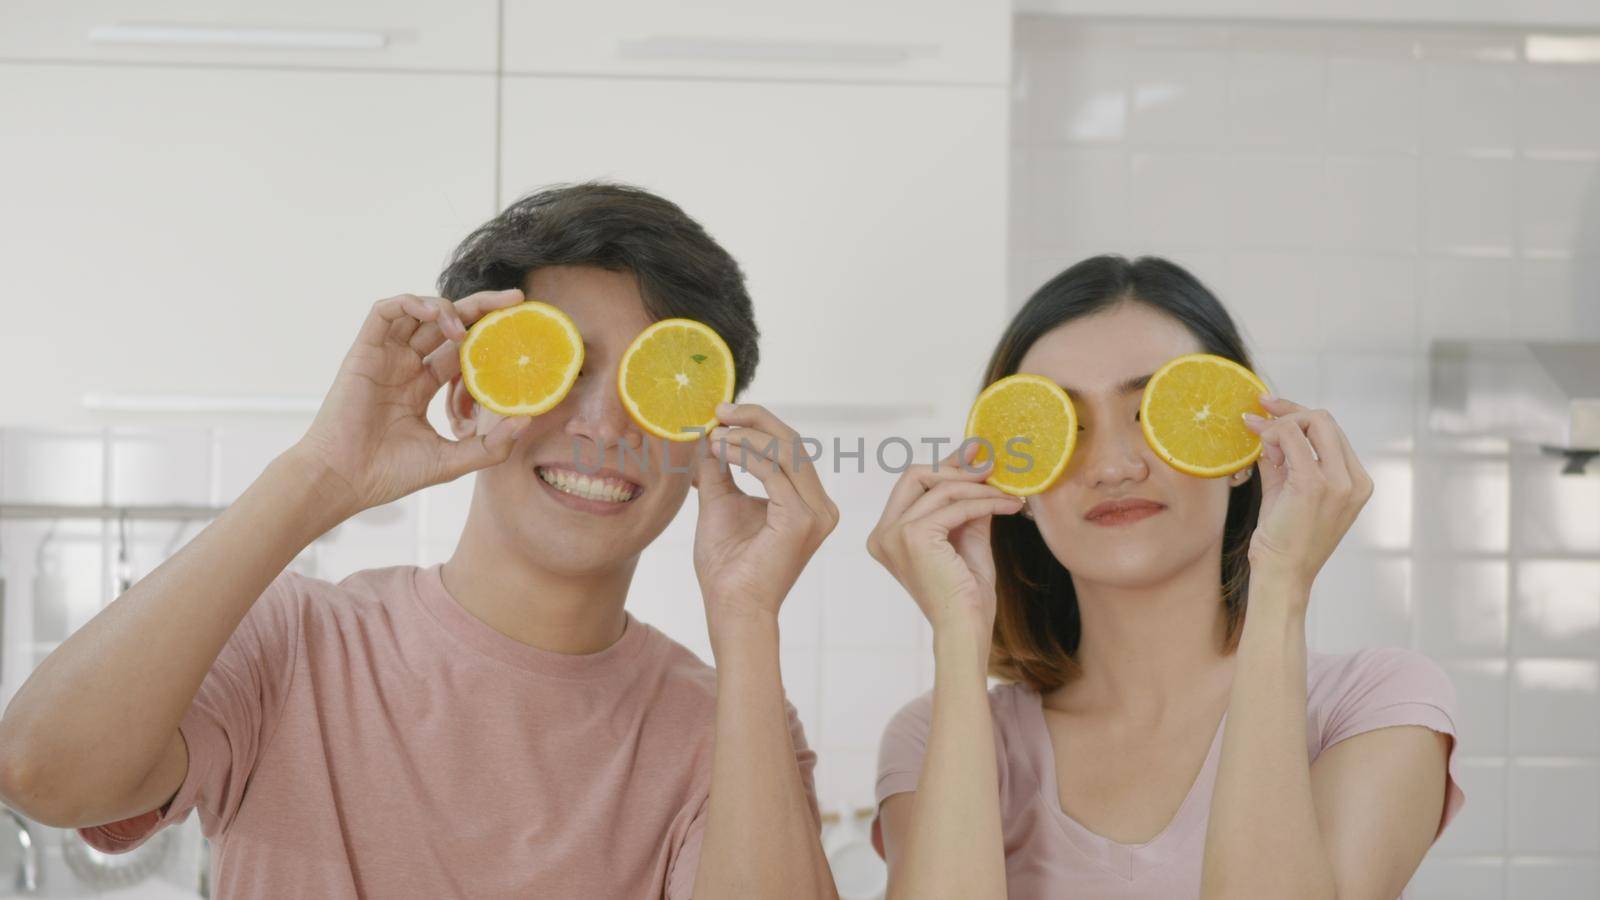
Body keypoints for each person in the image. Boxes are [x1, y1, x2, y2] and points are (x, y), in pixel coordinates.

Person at [0, 182, 841, 899]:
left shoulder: (725, 727)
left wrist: (747, 616)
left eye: (651, 386)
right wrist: (319, 477)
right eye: (562, 366)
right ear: (470, 397)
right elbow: (43, 772)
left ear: (701, 436)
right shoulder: (290, 641)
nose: (605, 424)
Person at [866, 255, 1464, 899]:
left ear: (1241, 448)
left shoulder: (1372, 705)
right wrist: (959, 634)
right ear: (1018, 484)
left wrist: (1282, 585)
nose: (1113, 467)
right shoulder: (934, 735)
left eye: (1151, 415)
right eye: (1064, 428)